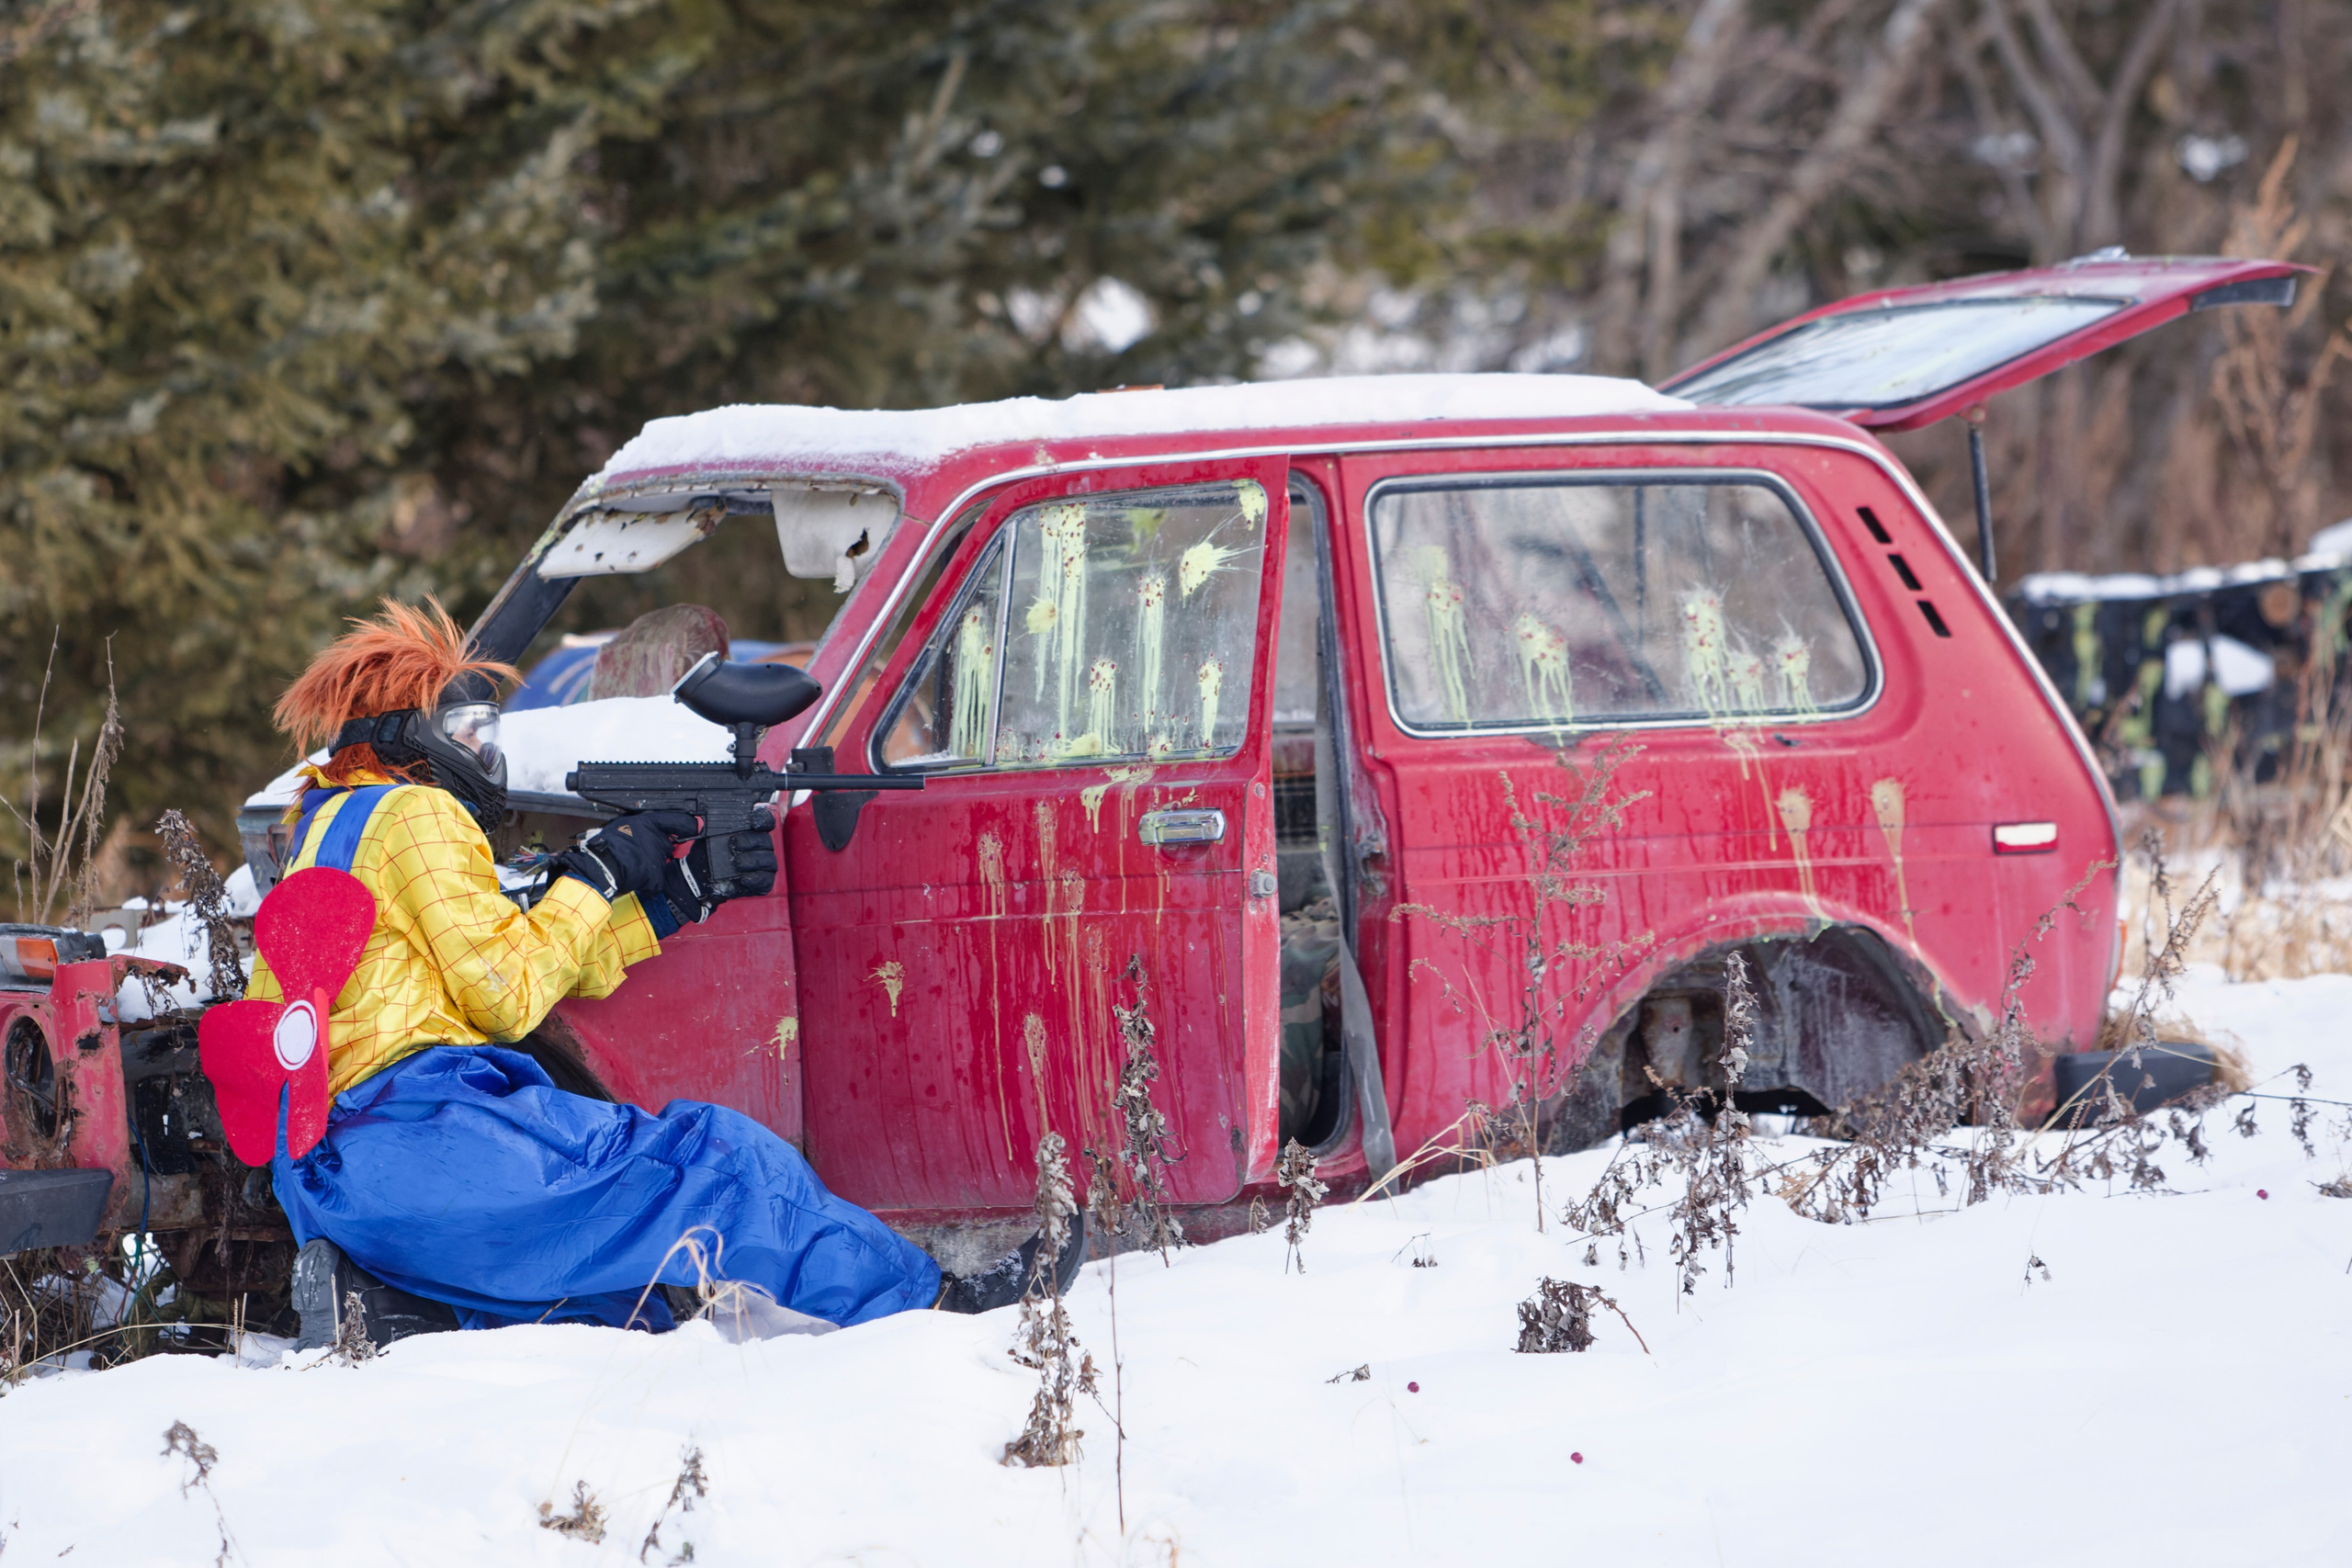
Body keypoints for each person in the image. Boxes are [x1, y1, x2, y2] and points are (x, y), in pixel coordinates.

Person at [246, 598, 1074, 1346]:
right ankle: (933, 1309)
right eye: (465, 733)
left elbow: (505, 961)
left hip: (337, 1179)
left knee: (614, 1316)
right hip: (426, 1136)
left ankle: (385, 1305)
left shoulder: (327, 823)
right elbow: (507, 996)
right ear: (405, 736)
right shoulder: (418, 811)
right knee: (718, 1163)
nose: (482, 753)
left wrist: (673, 898)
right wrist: (595, 875)